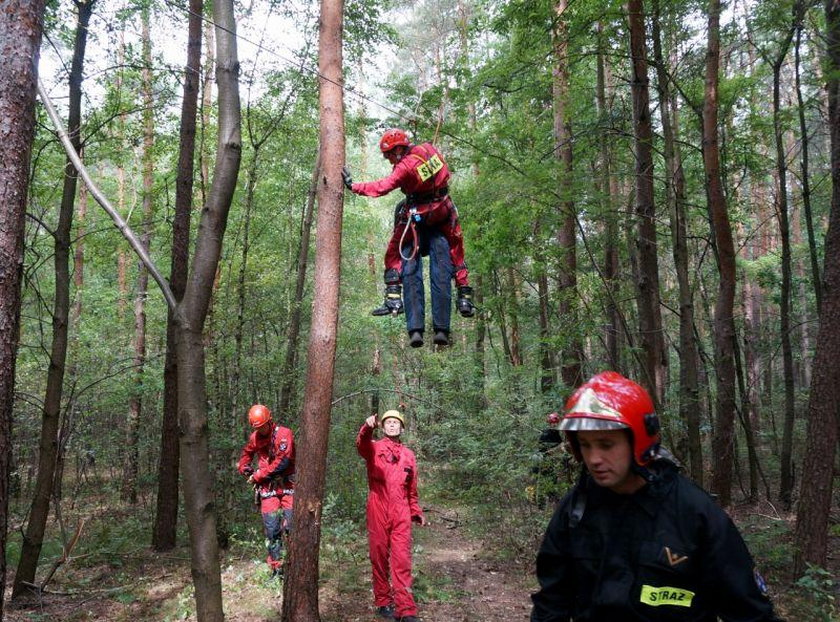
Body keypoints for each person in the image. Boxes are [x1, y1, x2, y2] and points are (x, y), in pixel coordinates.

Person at [530, 371, 785, 622]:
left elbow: (750, 613)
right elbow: (552, 602)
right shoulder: (576, 510)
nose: (594, 458)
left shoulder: (694, 513)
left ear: (638, 441)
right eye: (585, 445)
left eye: (606, 445)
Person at [342, 128, 476, 325]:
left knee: (394, 251)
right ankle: (464, 296)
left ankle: (393, 299)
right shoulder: (429, 149)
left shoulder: (404, 167)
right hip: (445, 207)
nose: (389, 160)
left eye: (389, 156)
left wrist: (354, 187)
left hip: (420, 211)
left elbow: (383, 187)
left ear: (397, 150)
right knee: (456, 248)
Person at [356, 410, 426, 622]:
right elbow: (361, 444)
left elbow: (411, 490)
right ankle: (383, 601)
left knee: (402, 559)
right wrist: (367, 427)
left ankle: (406, 609)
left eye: (396, 422)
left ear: (402, 428)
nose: (392, 425)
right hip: (378, 506)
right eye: (388, 422)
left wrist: (416, 511)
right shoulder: (374, 448)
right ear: (383, 427)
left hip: (401, 511)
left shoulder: (409, 455)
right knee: (378, 557)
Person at [237, 404, 295, 578]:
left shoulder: (284, 434)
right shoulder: (255, 438)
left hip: (287, 486)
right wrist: (244, 468)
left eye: (263, 426)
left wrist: (258, 475)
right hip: (268, 488)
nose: (261, 430)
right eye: (257, 427)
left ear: (270, 421)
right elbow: (246, 455)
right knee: (272, 530)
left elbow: (282, 462)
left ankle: (295, 565)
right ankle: (277, 569)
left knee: (291, 526)